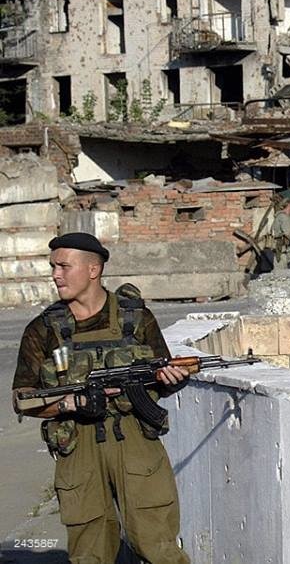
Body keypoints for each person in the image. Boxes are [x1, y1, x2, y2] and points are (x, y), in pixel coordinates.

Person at [11, 232, 191, 564]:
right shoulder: (43, 329)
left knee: (158, 546)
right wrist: (71, 404)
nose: (55, 274)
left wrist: (171, 380)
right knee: (89, 551)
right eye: (53, 266)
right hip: (78, 447)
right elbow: (22, 398)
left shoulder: (135, 318)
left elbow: (158, 373)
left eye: (64, 266)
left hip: (135, 438)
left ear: (93, 270)